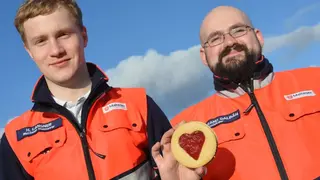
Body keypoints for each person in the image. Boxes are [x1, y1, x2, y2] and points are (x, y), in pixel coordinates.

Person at [0, 0, 206, 180]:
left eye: (63, 34)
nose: (56, 50)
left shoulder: (139, 105)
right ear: (29, 51)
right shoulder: (15, 137)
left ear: (84, 36)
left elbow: (175, 173)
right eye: (41, 41)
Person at [171, 5, 320, 180]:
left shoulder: (315, 80)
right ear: (204, 56)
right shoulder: (183, 128)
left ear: (258, 37)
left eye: (238, 30)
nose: (229, 42)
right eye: (215, 38)